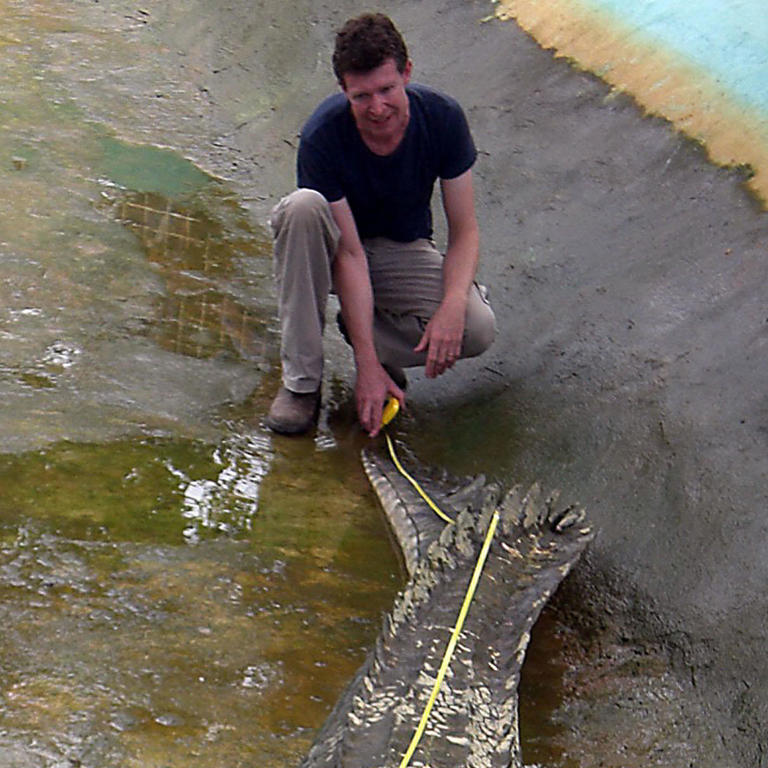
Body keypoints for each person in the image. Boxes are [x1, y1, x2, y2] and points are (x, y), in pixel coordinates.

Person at [266, 12, 496, 437]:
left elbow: (465, 231)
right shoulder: (322, 135)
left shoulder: (443, 118)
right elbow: (350, 254)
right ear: (343, 90)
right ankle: (301, 383)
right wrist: (367, 370)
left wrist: (451, 302)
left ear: (406, 73)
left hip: (398, 248)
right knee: (301, 207)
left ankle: (360, 333)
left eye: (387, 89)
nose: (377, 108)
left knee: (477, 328)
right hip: (332, 248)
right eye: (361, 96)